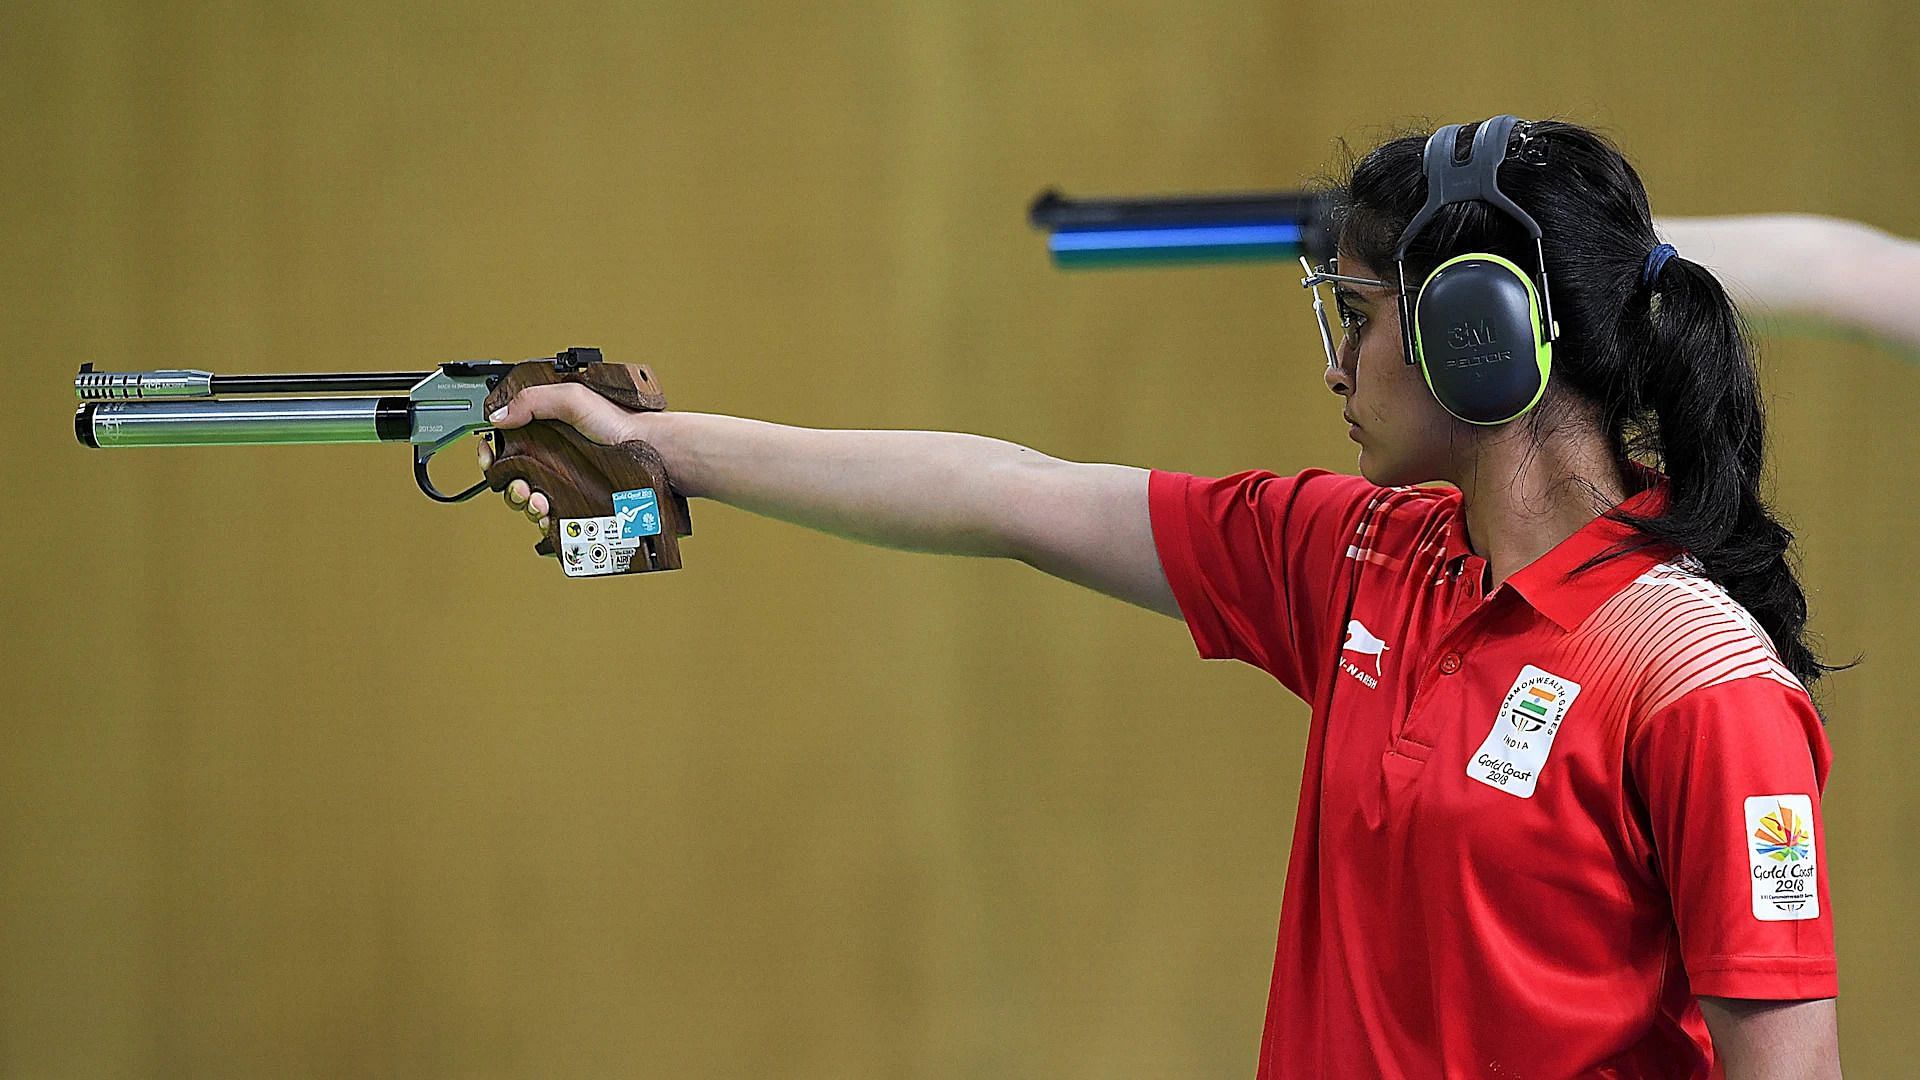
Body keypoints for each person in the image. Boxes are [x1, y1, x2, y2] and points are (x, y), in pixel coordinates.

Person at [478, 120, 1843, 1079]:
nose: (1337, 366)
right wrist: (658, 451)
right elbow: (1007, 493)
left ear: (1469, 335)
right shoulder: (1367, 559)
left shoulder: (1698, 682)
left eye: (1357, 314)